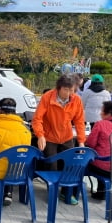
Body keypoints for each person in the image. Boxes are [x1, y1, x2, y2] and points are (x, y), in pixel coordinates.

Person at [32, 73, 86, 205]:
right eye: (66, 90)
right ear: (59, 88)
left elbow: (79, 121)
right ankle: (53, 192)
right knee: (52, 165)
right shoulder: (47, 97)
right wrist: (40, 135)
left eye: (72, 90)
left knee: (70, 164)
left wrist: (81, 141)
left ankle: (66, 193)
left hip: (67, 137)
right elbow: (37, 119)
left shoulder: (76, 100)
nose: (69, 93)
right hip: (49, 137)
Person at [0, 98, 32, 207]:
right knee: (13, 161)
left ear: (0, 110)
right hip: (19, 170)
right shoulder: (26, 128)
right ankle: (8, 193)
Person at [85, 101, 112, 200]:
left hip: (104, 168)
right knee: (107, 156)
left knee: (84, 162)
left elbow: (90, 144)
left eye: (102, 111)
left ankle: (72, 191)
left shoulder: (100, 124)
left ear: (109, 112)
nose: (100, 113)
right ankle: (102, 192)